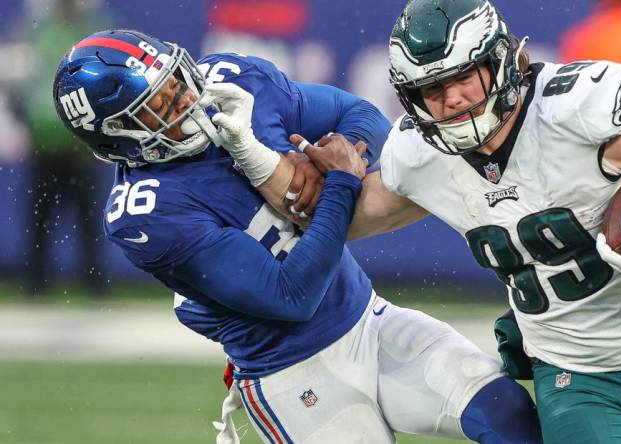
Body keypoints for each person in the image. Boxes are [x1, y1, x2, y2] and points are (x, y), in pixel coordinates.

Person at [245, 0, 621, 442]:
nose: (450, 99)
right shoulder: (425, 157)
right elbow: (342, 221)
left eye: (460, 79)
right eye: (432, 90)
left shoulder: (576, 111)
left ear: (497, 63)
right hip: (575, 375)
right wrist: (256, 160)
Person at [52, 29, 541, 444]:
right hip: (293, 372)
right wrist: (342, 182)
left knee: (508, 414)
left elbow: (363, 117)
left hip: (368, 318)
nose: (188, 99)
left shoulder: (232, 80)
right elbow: (292, 295)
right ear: (118, 134)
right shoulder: (148, 214)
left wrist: (338, 154)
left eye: (178, 81)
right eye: (160, 104)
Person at [19, 0, 112, 296]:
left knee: (87, 219)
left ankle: (94, 283)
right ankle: (36, 282)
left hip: (80, 145)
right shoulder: (38, 30)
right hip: (45, 141)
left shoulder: (94, 30)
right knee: (40, 219)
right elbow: (23, 80)